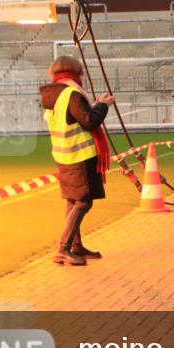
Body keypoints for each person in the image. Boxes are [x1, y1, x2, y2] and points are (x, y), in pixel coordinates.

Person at [39, 55, 114, 267]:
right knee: (83, 201)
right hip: (79, 156)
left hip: (63, 155)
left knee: (73, 200)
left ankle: (75, 245)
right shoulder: (71, 93)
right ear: (76, 72)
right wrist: (103, 105)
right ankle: (63, 249)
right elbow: (90, 121)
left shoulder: (53, 94)